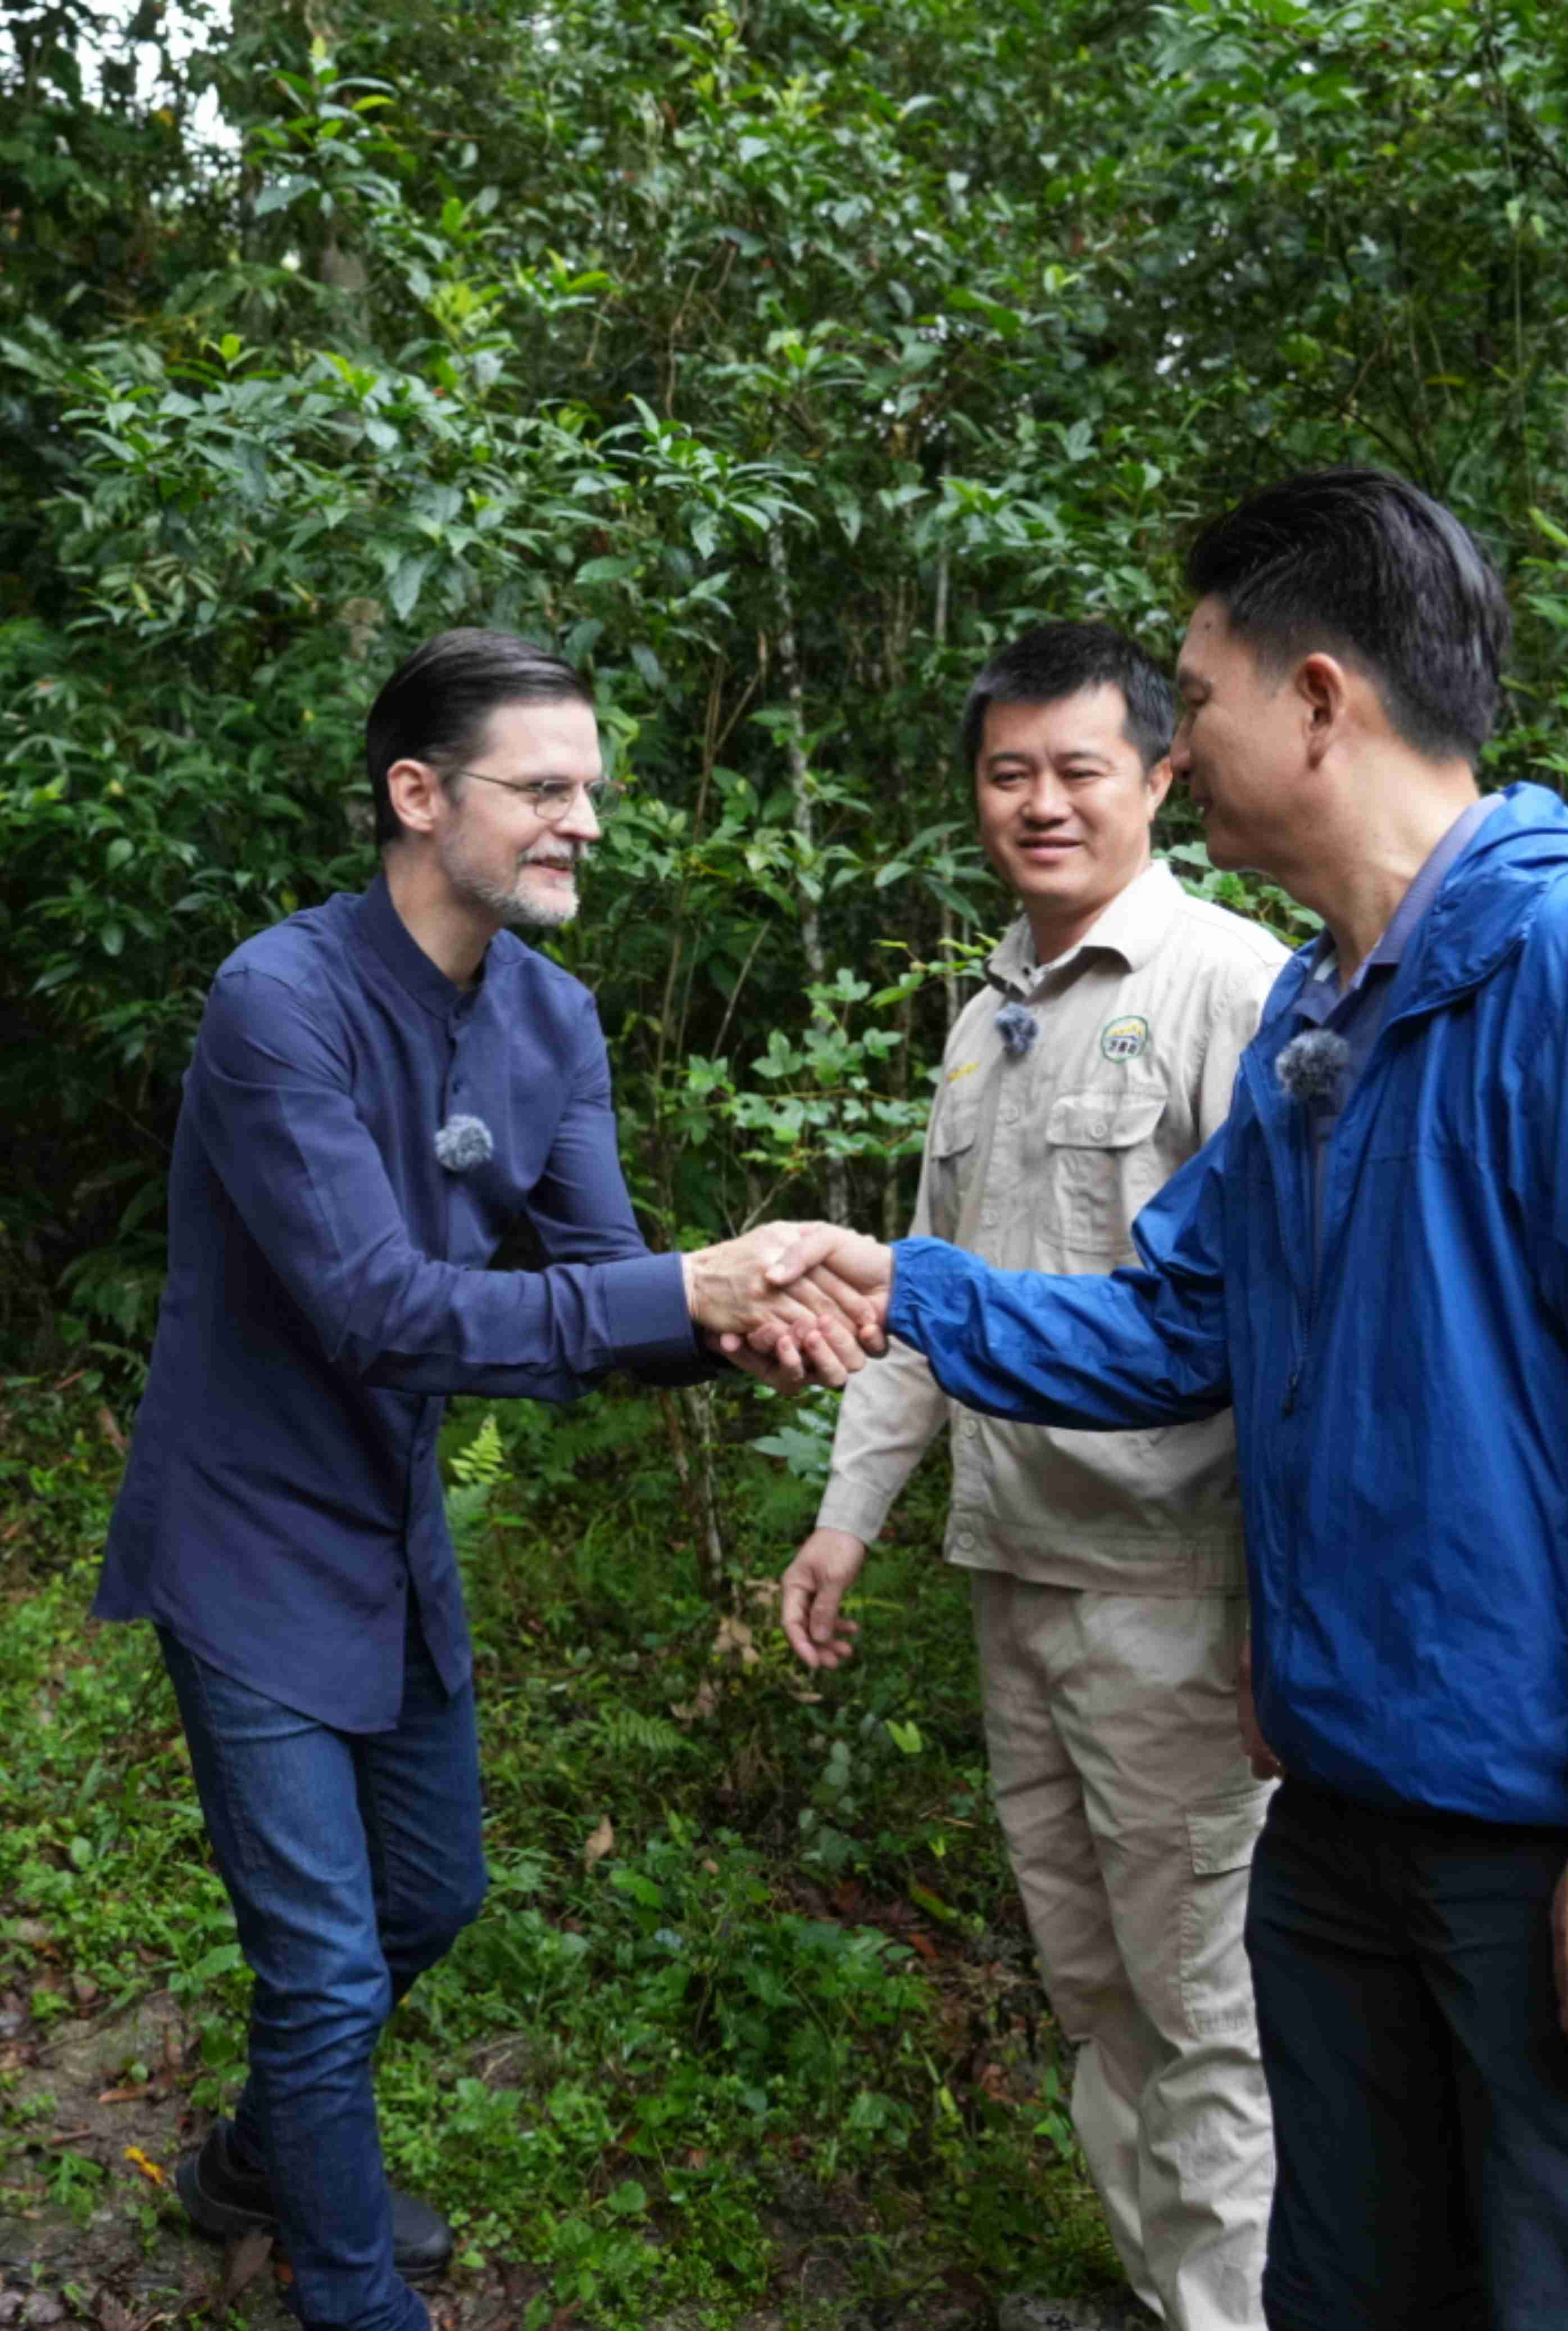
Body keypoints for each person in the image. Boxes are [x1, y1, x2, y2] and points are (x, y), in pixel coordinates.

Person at [757, 472, 1568, 2331]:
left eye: (1195, 699)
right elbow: (1181, 1330)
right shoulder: (1315, 1026)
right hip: (1354, 1813)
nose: (1177, 738)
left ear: (1323, 701)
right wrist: (907, 1288)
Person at [94, 629, 878, 2331]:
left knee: (431, 1899)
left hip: (391, 1533)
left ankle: (251, 2165)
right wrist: (687, 1287)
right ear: (417, 794)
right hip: (243, 1531)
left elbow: (599, 1285)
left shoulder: (552, 1016)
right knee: (319, 1974)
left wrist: (767, 1307)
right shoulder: (278, 1005)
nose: (582, 819)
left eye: (590, 788)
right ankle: (350, 2288)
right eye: (544, 787)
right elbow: (380, 1311)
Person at [779, 622, 1289, 2331]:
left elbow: (1287, 1327)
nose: (1044, 803)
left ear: (1161, 775)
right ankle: (1161, 2292)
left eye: (1082, 768)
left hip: (1177, 1596)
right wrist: (852, 1517)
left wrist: (1288, 1603)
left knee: (1205, 2005)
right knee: (1089, 1983)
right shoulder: (987, 1014)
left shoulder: (1236, 985)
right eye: (1011, 773)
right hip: (1018, 1573)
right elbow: (928, 1289)